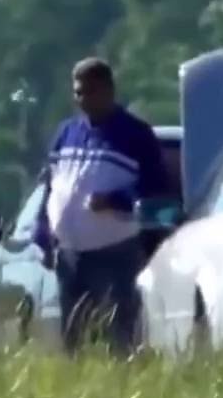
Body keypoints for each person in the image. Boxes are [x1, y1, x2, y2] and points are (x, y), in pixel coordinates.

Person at [32, 57, 170, 357]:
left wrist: (116, 199)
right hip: (69, 254)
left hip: (115, 251)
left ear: (109, 90)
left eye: (90, 92)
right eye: (78, 92)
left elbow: (157, 188)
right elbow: (50, 188)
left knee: (119, 331)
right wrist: (43, 235)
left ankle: (125, 381)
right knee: (73, 334)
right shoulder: (66, 133)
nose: (83, 99)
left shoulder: (134, 134)